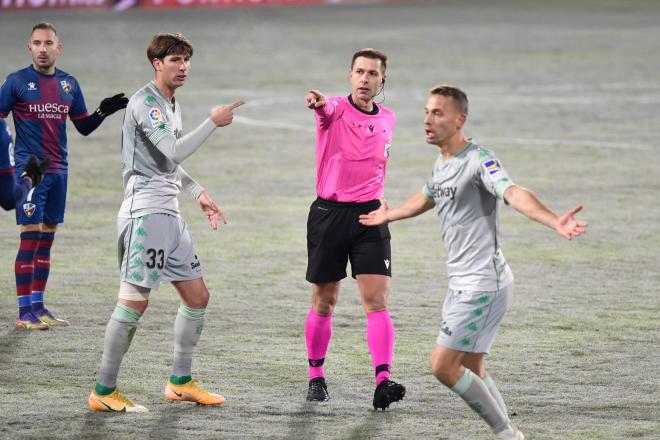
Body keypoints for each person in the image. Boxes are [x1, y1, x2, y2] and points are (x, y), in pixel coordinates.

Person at [359, 84, 588, 438]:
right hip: (466, 281)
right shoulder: (443, 163)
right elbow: (426, 197)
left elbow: (513, 192)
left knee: (442, 366)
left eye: (437, 113)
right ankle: (509, 432)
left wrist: (552, 219)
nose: (427, 120)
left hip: (483, 283)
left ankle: (507, 435)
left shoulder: (480, 159)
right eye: (426, 111)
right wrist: (390, 216)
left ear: (459, 119)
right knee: (472, 366)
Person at [88, 32, 244, 413]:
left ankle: (180, 382)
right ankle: (103, 391)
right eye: (175, 60)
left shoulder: (171, 103)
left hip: (168, 213)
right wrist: (212, 122)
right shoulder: (146, 104)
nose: (183, 66)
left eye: (186, 59)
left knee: (197, 296)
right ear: (157, 64)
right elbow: (173, 149)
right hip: (145, 213)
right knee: (133, 303)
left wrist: (196, 191)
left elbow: (168, 162)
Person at [0, 22, 129, 331]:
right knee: (30, 237)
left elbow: (82, 126)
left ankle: (39, 305)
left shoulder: (69, 84)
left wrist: (102, 112)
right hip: (30, 170)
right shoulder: (15, 82)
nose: (42, 49)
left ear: (58, 48)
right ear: (29, 48)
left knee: (46, 238)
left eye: (48, 43)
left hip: (59, 170)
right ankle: (23, 312)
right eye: (37, 43)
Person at [303, 48, 405, 410]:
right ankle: (316, 376)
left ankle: (383, 380)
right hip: (330, 216)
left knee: (377, 303)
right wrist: (317, 103)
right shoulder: (332, 110)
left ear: (382, 80)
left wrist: (381, 199)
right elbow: (324, 108)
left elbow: (376, 165)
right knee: (325, 300)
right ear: (349, 75)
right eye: (359, 72)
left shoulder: (389, 118)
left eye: (372, 74)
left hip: (371, 218)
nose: (365, 79)